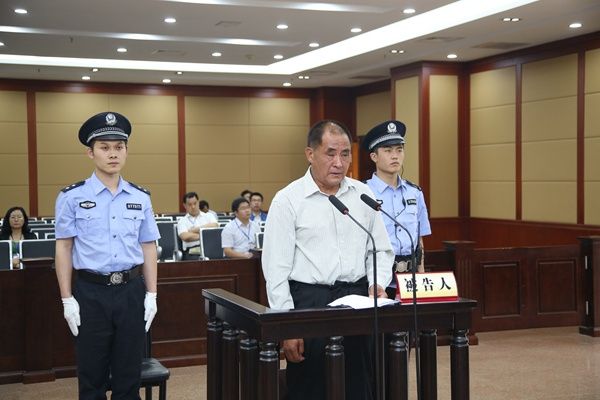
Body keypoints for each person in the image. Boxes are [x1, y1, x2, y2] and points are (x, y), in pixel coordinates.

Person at [261, 120, 394, 400]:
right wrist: (287, 327)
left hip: (358, 301)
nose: (339, 163)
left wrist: (378, 283)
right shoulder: (288, 200)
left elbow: (380, 250)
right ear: (310, 154)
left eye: (345, 154)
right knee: (312, 387)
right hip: (311, 303)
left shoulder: (362, 195)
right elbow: (276, 270)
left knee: (359, 385)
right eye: (330, 153)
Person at [54, 111, 160, 400]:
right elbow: (64, 248)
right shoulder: (71, 196)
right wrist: (66, 299)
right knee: (92, 376)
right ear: (90, 153)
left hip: (131, 291)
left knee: (129, 375)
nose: (113, 154)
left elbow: (148, 246)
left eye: (119, 147)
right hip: (91, 293)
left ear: (126, 151)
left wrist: (151, 294)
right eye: (104, 147)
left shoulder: (140, 197)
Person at [362, 120, 432, 299]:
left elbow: (419, 240)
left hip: (409, 280)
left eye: (399, 150)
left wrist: (421, 275)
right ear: (374, 156)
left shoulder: (415, 192)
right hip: (377, 283)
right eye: (388, 151)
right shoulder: (363, 193)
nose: (395, 156)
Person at [177, 192, 218, 259]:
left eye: (195, 203)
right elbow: (185, 237)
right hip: (192, 252)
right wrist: (207, 235)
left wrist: (194, 230)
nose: (193, 207)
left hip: (210, 249)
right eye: (190, 205)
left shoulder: (209, 216)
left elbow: (215, 226)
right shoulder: (182, 221)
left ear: (198, 202)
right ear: (185, 206)